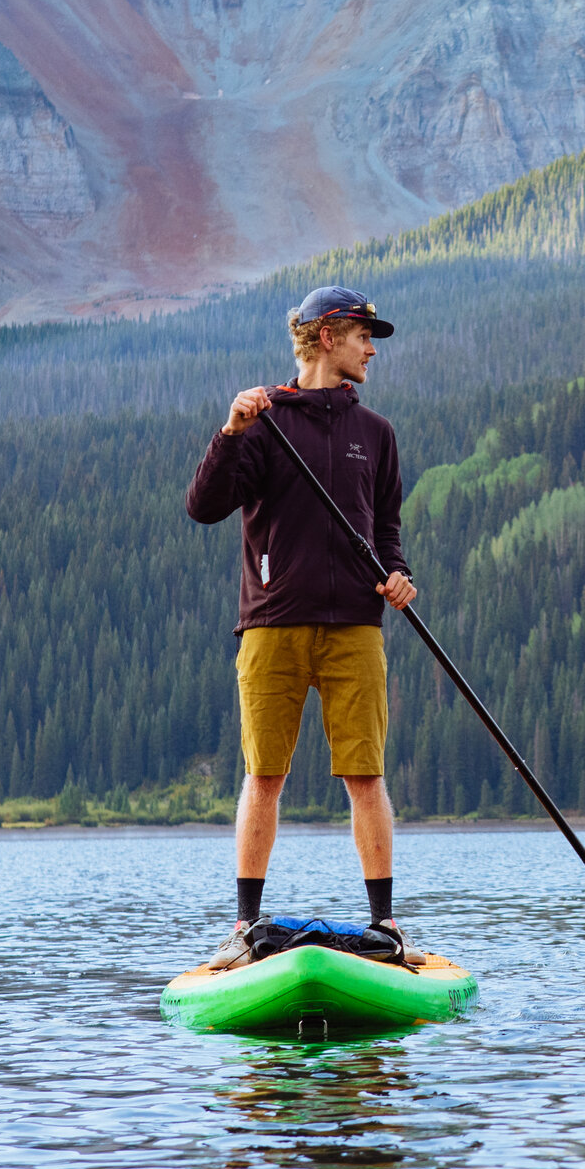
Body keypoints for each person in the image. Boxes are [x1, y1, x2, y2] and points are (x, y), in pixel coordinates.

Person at [186, 284, 418, 969]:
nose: (372, 348)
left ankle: (386, 926)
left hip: (355, 626)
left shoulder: (376, 434)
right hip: (272, 625)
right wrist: (229, 432)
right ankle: (243, 925)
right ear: (326, 336)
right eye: (363, 335)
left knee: (366, 775)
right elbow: (204, 506)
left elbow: (388, 532)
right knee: (264, 775)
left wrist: (398, 576)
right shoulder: (263, 422)